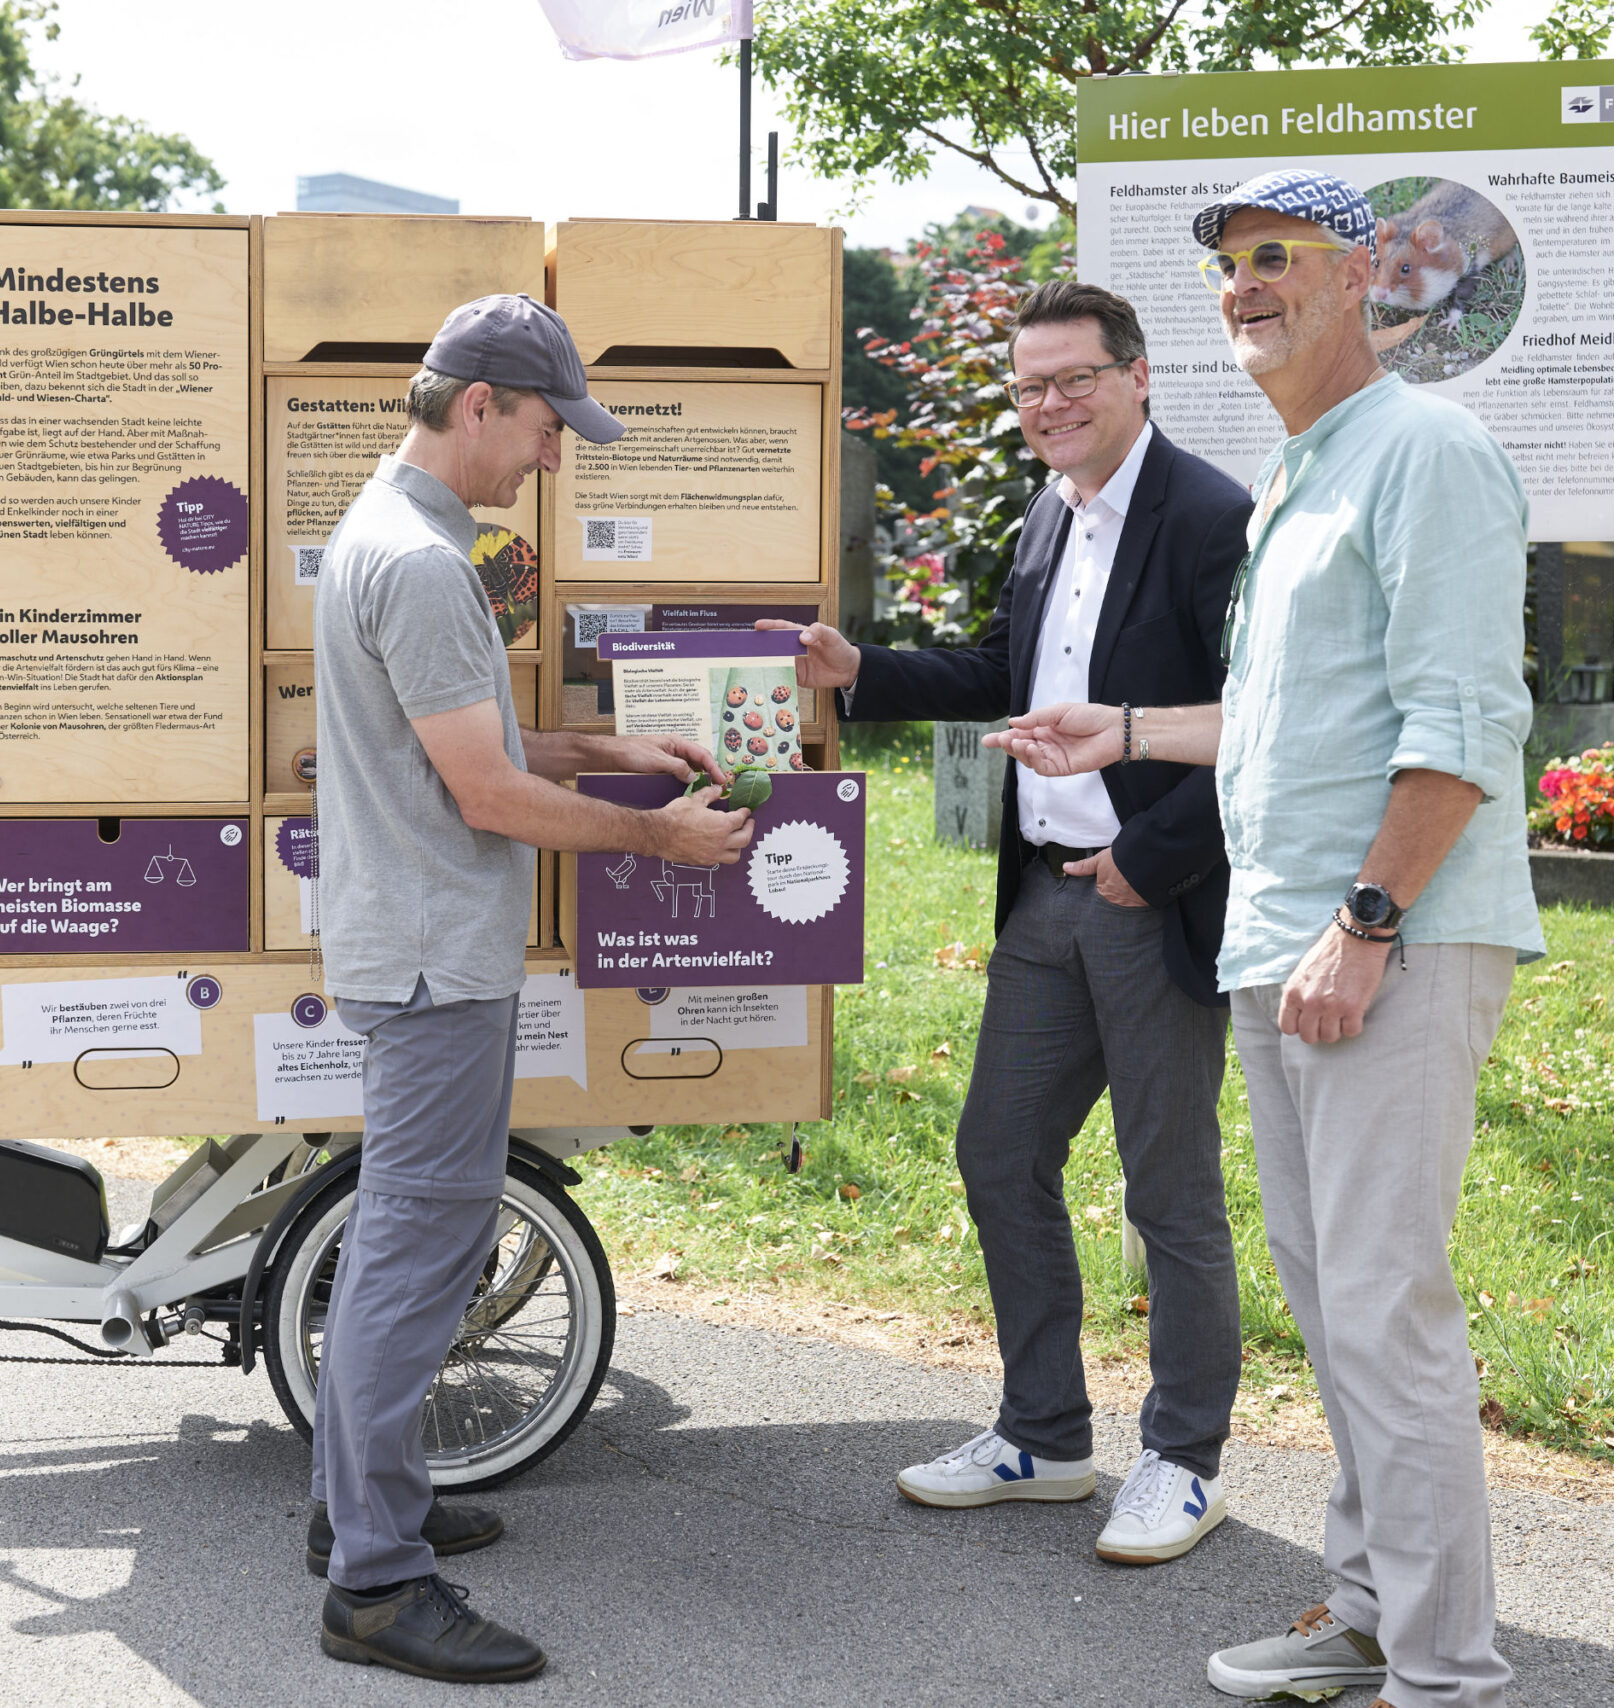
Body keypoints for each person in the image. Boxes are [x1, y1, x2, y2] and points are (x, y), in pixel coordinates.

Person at [1004, 170, 1542, 1708]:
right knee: (1337, 1310)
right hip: (1283, 947)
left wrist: (1368, 922)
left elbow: (1461, 722)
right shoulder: (1309, 464)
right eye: (1229, 266)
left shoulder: (1423, 451)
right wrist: (1111, 728)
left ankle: (1445, 1670)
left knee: (1384, 1308)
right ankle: (1367, 1611)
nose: (1244, 285)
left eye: (1275, 258)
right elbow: (1281, 722)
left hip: (1384, 943)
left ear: (1363, 272)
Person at [763, 280, 1251, 1564]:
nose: (1047, 405)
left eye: (1071, 379)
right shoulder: (1047, 514)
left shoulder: (1209, 517)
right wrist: (860, 670)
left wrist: (1152, 858)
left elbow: (1264, 722)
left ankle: (1183, 1459)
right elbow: (1004, 671)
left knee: (1170, 1193)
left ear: (1137, 375)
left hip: (1150, 898)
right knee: (998, 1153)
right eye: (1028, 387)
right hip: (1043, 894)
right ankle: (1043, 1435)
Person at [308, 292, 755, 1684]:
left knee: (406, 1245)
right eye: (551, 429)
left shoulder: (392, 531)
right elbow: (485, 795)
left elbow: (471, 743)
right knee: (414, 1254)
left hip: (415, 940)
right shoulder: (429, 565)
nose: (554, 460)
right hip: (439, 955)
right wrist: (659, 836)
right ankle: (377, 1584)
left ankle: (353, 1512)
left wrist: (607, 753)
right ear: (484, 402)